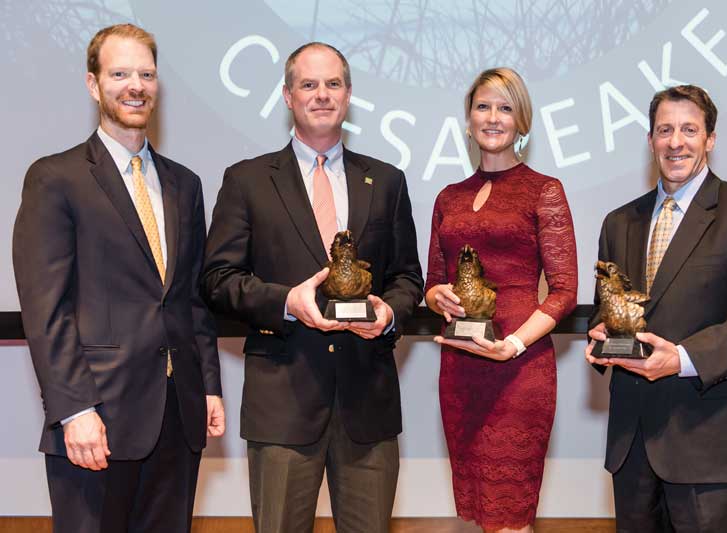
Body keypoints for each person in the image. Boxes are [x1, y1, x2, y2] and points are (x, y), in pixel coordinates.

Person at [201, 42, 423, 533]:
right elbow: (217, 280)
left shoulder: (386, 181)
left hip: (369, 406)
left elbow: (407, 277)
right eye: (308, 84)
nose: (321, 95)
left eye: (333, 84)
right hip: (282, 406)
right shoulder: (247, 181)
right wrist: (285, 302)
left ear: (348, 95)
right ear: (287, 96)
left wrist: (388, 313)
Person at [12, 23, 225, 533]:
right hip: (97, 419)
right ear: (93, 84)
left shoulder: (184, 183)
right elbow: (47, 310)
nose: (136, 85)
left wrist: (210, 386)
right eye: (121, 73)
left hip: (179, 415)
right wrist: (74, 410)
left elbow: (190, 298)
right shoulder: (55, 177)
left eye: (146, 74)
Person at [585, 85, 727, 532]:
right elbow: (608, 309)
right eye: (664, 130)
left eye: (688, 129)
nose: (675, 141)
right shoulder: (618, 222)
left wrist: (680, 359)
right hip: (632, 450)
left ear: (710, 138)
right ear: (650, 140)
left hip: (711, 449)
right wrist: (598, 335)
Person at [425, 67, 578, 532]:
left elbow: (566, 290)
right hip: (461, 366)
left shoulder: (544, 190)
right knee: (479, 516)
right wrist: (436, 297)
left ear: (522, 121)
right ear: (469, 118)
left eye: (505, 108)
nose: (493, 117)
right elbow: (432, 281)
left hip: (519, 367)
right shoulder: (448, 197)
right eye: (484, 106)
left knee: (510, 518)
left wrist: (513, 345)